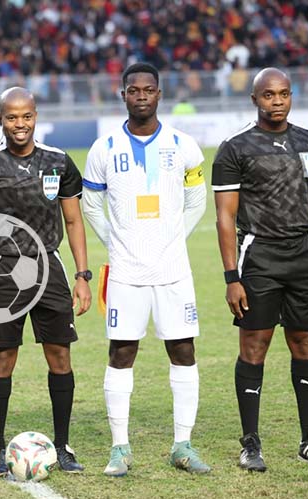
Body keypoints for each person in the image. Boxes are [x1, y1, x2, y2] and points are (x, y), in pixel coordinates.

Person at [213, 67, 308, 472]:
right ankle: (250, 443)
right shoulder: (235, 148)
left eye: (283, 94)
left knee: (304, 344)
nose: (277, 101)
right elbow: (224, 217)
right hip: (259, 258)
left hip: (304, 256)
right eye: (268, 95)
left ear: (292, 97)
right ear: (255, 99)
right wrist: (231, 278)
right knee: (254, 347)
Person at [82, 62, 210, 477]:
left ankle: (183, 445)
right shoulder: (103, 148)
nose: (141, 95)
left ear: (159, 94)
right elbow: (90, 205)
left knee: (183, 349)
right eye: (133, 89)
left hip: (173, 270)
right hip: (126, 272)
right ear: (122, 95)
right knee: (122, 351)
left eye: (148, 89)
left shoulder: (183, 145)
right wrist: (116, 242)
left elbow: (197, 200)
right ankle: (120, 449)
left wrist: (174, 239)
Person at [0, 87, 92, 477]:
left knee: (60, 357)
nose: (19, 125)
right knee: (3, 358)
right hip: (4, 270)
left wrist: (82, 275)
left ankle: (64, 445)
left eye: (26, 117)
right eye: (11, 117)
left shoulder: (58, 161)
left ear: (36, 116)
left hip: (50, 268)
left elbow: (73, 221)